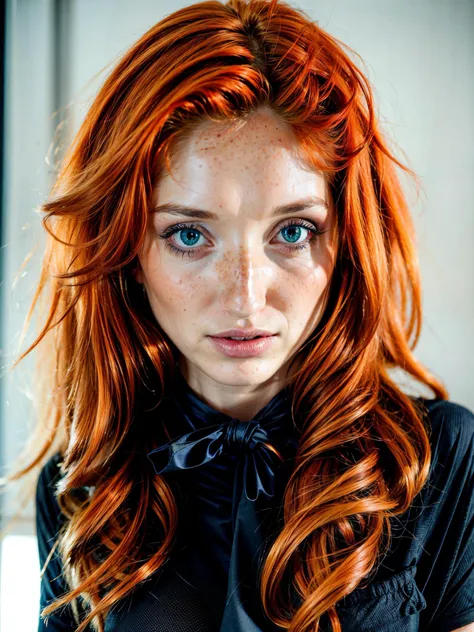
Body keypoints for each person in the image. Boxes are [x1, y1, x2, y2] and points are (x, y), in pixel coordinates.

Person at [0, 0, 473, 630]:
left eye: (295, 231)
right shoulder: (88, 484)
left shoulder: (439, 461)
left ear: (350, 240)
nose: (247, 298)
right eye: (190, 237)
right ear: (128, 249)